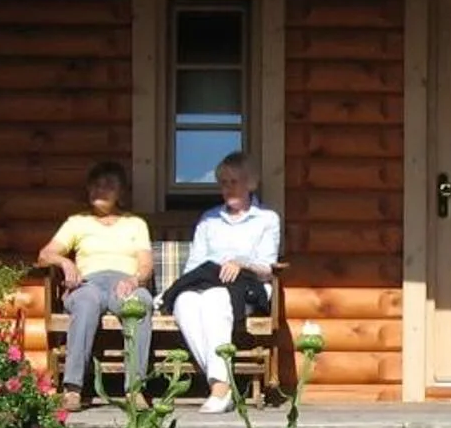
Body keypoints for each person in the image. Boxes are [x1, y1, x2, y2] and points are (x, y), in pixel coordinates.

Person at [165, 153, 282, 414]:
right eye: (223, 182)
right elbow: (193, 266)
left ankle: (218, 387)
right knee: (185, 301)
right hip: (208, 282)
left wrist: (241, 263)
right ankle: (224, 382)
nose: (228, 188)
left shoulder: (267, 219)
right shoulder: (209, 219)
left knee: (215, 298)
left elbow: (267, 268)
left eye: (234, 181)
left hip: (249, 288)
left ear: (251, 183)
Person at [38, 161, 153, 411]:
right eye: (96, 186)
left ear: (121, 192)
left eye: (108, 186)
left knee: (140, 303)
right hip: (88, 283)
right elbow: (45, 254)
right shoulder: (77, 222)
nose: (100, 191)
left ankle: (135, 389)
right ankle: (73, 389)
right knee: (87, 303)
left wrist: (134, 280)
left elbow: (145, 264)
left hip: (123, 282)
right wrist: (65, 262)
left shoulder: (135, 223)